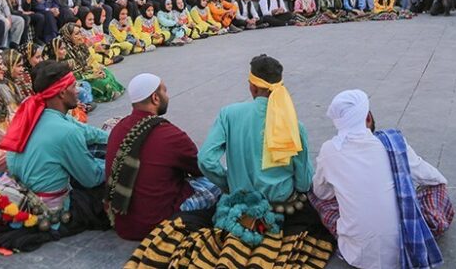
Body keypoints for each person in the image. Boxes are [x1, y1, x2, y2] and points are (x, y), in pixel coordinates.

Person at [127, 55, 333, 268]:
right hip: (281, 206)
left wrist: (228, 183)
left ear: (252, 87)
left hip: (239, 202)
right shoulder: (294, 126)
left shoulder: (229, 114)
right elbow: (303, 183)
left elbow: (206, 160)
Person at [310, 90, 453, 269]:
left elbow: (321, 193)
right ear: (368, 117)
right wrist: (440, 182)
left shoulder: (329, 150)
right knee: (436, 187)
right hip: (403, 249)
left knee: (316, 197)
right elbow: (428, 176)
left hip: (357, 255)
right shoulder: (394, 143)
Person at [0, 60, 110, 252]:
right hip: (50, 208)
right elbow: (91, 178)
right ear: (61, 92)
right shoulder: (66, 132)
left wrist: (113, 137)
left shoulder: (33, 108)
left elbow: (84, 131)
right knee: (114, 178)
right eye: (74, 85)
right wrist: (113, 162)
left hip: (23, 185)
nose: (78, 90)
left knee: (93, 149)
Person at [105, 73, 203, 240]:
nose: (168, 96)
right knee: (215, 180)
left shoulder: (118, 128)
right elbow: (201, 168)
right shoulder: (170, 135)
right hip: (157, 225)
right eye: (165, 91)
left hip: (123, 224)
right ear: (155, 98)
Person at [60, 23, 125, 103]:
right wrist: (92, 75)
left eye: (80, 32)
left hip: (87, 71)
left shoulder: (81, 46)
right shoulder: (66, 53)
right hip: (79, 79)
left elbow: (90, 61)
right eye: (77, 34)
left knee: (107, 73)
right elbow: (75, 76)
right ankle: (107, 94)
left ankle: (111, 91)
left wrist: (98, 69)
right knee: (102, 82)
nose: (81, 35)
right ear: (68, 37)